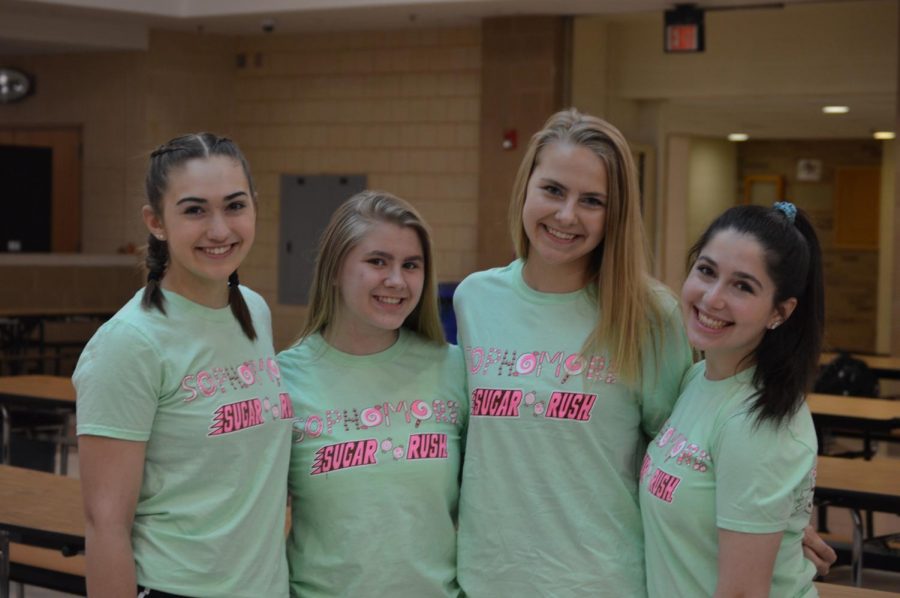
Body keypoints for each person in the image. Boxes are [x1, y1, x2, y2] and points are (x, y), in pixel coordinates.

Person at [453, 108, 693, 596]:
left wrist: (769, 525)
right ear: (526, 188)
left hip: (602, 580)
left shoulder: (649, 315)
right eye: (553, 190)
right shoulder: (475, 299)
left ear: (616, 214)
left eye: (592, 201)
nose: (566, 215)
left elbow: (687, 454)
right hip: (488, 579)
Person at [74, 134, 293, 598]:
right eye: (195, 210)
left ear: (254, 207)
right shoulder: (130, 343)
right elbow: (105, 524)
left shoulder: (253, 310)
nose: (219, 230)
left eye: (234, 206)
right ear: (156, 222)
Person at [279, 190, 467, 597]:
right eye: (377, 261)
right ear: (334, 269)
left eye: (410, 265)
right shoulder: (283, 380)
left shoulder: (453, 369)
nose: (396, 280)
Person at [640, 202, 824, 597]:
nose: (712, 298)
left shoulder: (757, 424)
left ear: (780, 311)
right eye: (706, 271)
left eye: (743, 286)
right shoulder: (696, 379)